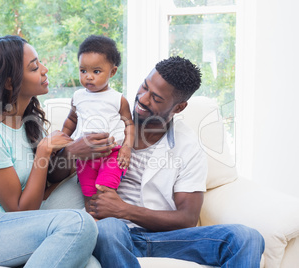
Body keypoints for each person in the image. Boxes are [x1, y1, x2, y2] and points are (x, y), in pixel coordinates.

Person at [84, 56, 265, 267]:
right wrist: (71, 151)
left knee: (246, 238)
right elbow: (57, 175)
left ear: (179, 107)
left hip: (165, 240)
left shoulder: (188, 147)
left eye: (156, 98)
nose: (142, 98)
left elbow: (187, 218)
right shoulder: (110, 120)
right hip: (114, 235)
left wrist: (123, 209)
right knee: (108, 229)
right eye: (144, 87)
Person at [0, 35, 98, 268]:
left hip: (11, 231)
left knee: (91, 263)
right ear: (9, 82)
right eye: (34, 67)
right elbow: (18, 209)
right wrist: (44, 151)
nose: (45, 70)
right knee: (79, 224)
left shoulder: (28, 126)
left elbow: (38, 194)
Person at [61, 35, 134, 209]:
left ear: (113, 72)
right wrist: (63, 138)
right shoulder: (78, 96)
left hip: (112, 153)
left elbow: (129, 125)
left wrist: (127, 148)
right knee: (88, 194)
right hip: (85, 156)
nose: (88, 77)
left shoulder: (118, 99)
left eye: (96, 71)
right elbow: (72, 119)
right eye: (83, 70)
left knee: (105, 188)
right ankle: (93, 223)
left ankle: (108, 219)